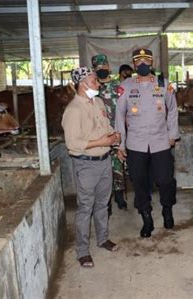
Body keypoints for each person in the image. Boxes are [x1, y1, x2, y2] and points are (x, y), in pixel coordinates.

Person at [115, 48, 179, 238]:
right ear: (134, 64)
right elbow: (119, 116)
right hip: (136, 143)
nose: (142, 64)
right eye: (138, 61)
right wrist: (120, 144)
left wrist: (172, 135)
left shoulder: (164, 84)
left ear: (152, 62)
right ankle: (146, 217)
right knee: (139, 182)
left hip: (160, 141)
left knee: (165, 179)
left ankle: (167, 208)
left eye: (146, 61)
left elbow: (173, 109)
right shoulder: (125, 87)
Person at [62, 67, 120, 268]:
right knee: (85, 207)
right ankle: (83, 251)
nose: (98, 83)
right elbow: (72, 143)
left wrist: (114, 137)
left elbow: (106, 126)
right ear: (83, 83)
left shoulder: (98, 102)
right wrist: (101, 142)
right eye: (94, 80)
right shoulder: (73, 110)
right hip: (86, 164)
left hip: (105, 161)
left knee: (103, 204)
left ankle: (103, 239)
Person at [92, 54, 128, 212]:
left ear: (108, 67)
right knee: (103, 169)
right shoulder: (92, 87)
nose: (102, 70)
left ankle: (120, 196)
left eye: (104, 66)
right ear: (94, 69)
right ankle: (105, 203)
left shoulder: (117, 85)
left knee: (118, 166)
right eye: (99, 68)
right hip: (99, 134)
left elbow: (125, 106)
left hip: (117, 130)